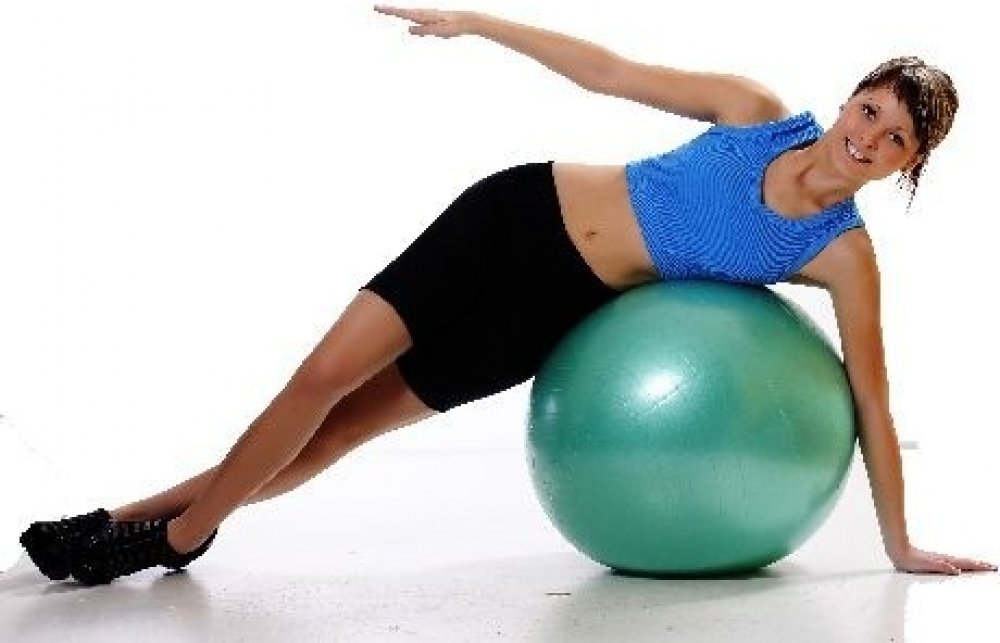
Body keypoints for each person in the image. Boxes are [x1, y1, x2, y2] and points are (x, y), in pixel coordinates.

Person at [20, 5, 996, 585]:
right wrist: (480, 22)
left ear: (907, 164)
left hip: (546, 311)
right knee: (320, 377)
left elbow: (871, 401)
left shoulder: (841, 254)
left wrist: (899, 543)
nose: (869, 137)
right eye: (870, 109)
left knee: (338, 432)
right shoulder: (752, 113)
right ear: (850, 97)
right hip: (511, 219)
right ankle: (172, 532)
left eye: (896, 139)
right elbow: (609, 71)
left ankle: (130, 530)